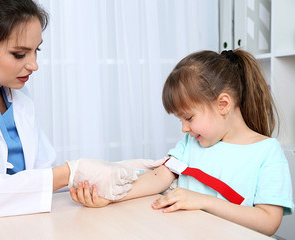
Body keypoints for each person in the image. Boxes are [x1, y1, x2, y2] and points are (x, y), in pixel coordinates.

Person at [0, 0, 164, 218]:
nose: (33, 65)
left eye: (37, 51)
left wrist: (111, 173)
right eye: (19, 54)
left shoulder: (16, 93)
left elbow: (42, 176)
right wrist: (70, 172)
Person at [70, 49, 294, 236]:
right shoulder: (190, 144)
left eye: (188, 118)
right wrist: (109, 197)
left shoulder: (267, 153)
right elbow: (158, 177)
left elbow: (268, 222)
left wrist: (204, 201)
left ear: (223, 104)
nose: (183, 128)